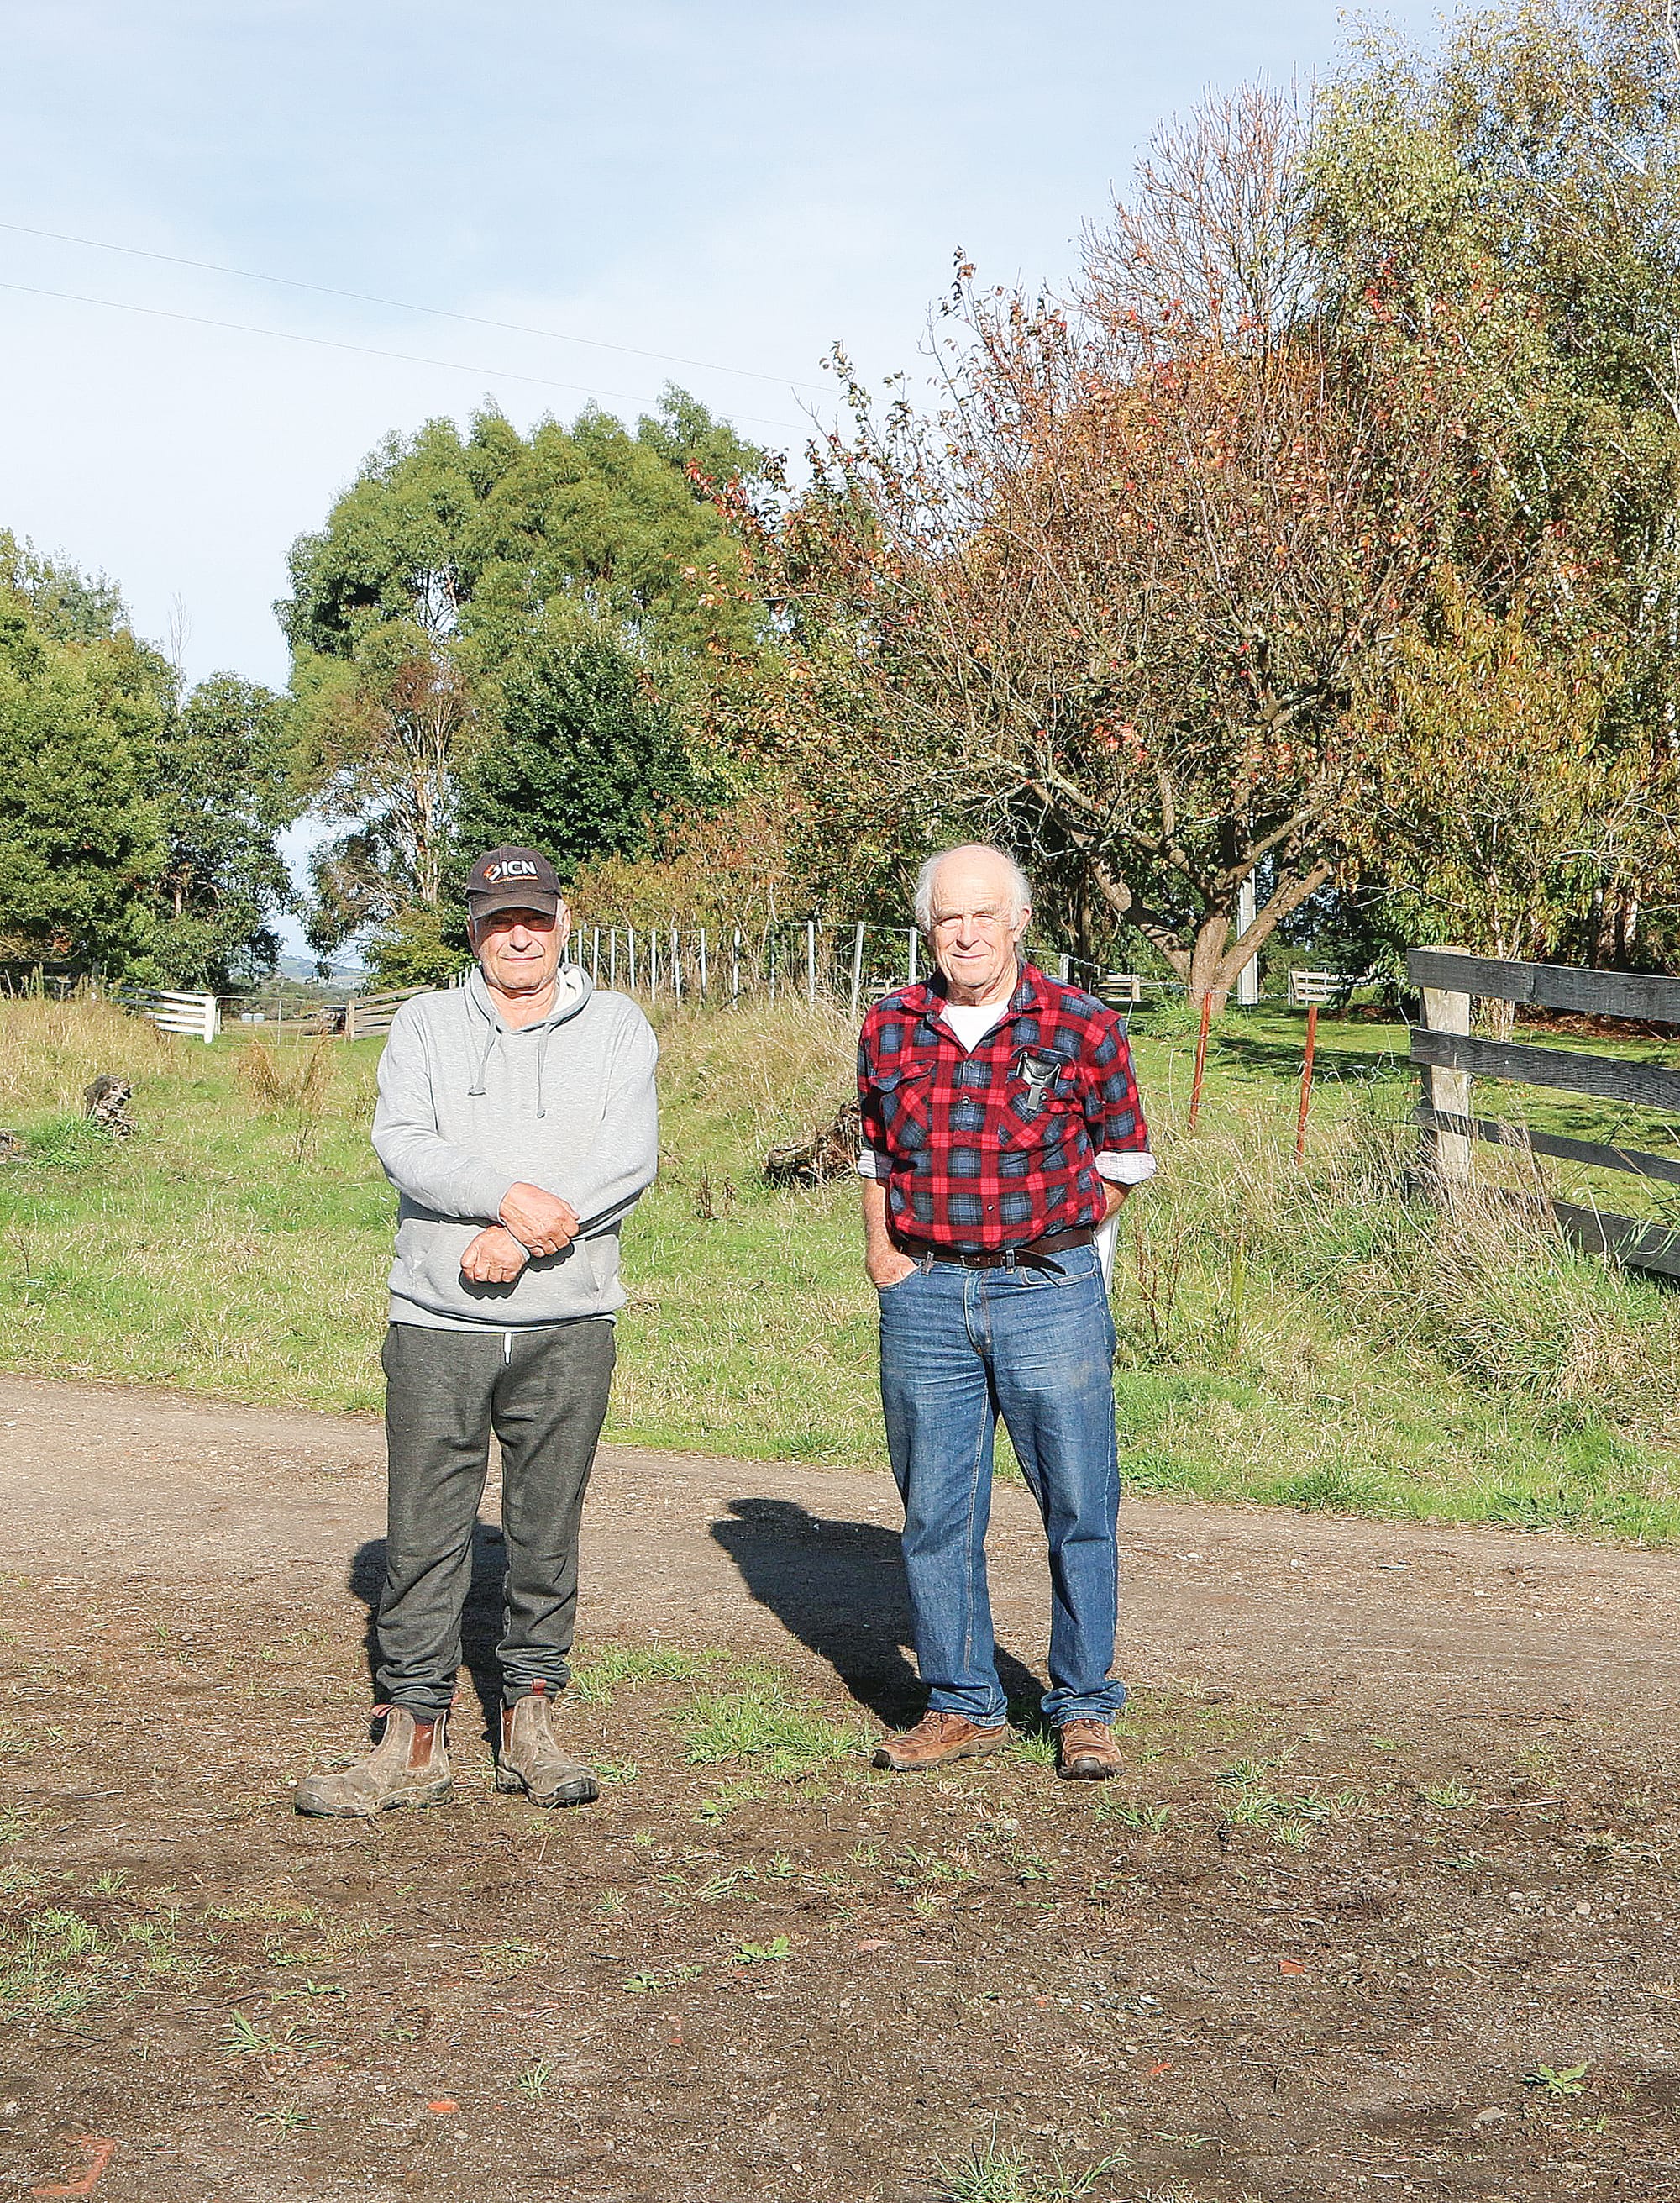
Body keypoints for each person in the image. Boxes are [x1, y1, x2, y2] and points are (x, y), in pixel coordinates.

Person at [296, 846, 658, 1818]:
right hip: (436, 1321)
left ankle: (530, 1720)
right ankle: (414, 1736)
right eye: (500, 920)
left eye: (534, 917)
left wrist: (521, 1234)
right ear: (474, 929)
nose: (519, 936)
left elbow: (628, 1159)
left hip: (569, 1321)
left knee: (545, 1530)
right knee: (422, 1532)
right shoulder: (424, 1022)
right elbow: (403, 1144)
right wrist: (503, 1196)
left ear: (563, 922)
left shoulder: (618, 1027)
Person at [857, 844, 1154, 1780]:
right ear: (928, 928)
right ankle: (962, 1702)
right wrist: (884, 1258)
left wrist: (1060, 1235)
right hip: (925, 1295)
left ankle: (1083, 1704)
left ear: (1019, 921)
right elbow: (875, 1155)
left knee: (1078, 1504)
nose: (966, 933)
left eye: (984, 914)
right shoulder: (890, 1024)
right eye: (949, 917)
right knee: (935, 1512)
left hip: (1047, 1294)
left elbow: (1125, 1159)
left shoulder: (1082, 1025)